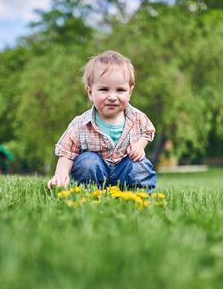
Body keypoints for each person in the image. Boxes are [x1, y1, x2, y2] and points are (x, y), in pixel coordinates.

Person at [47, 50, 157, 192]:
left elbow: (148, 131)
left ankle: (140, 195)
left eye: (120, 90)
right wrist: (60, 175)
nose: (112, 96)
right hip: (96, 172)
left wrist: (140, 145)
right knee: (87, 162)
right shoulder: (80, 124)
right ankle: (89, 193)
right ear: (90, 92)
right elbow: (67, 152)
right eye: (104, 89)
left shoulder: (137, 118)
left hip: (125, 170)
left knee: (139, 165)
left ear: (130, 92)